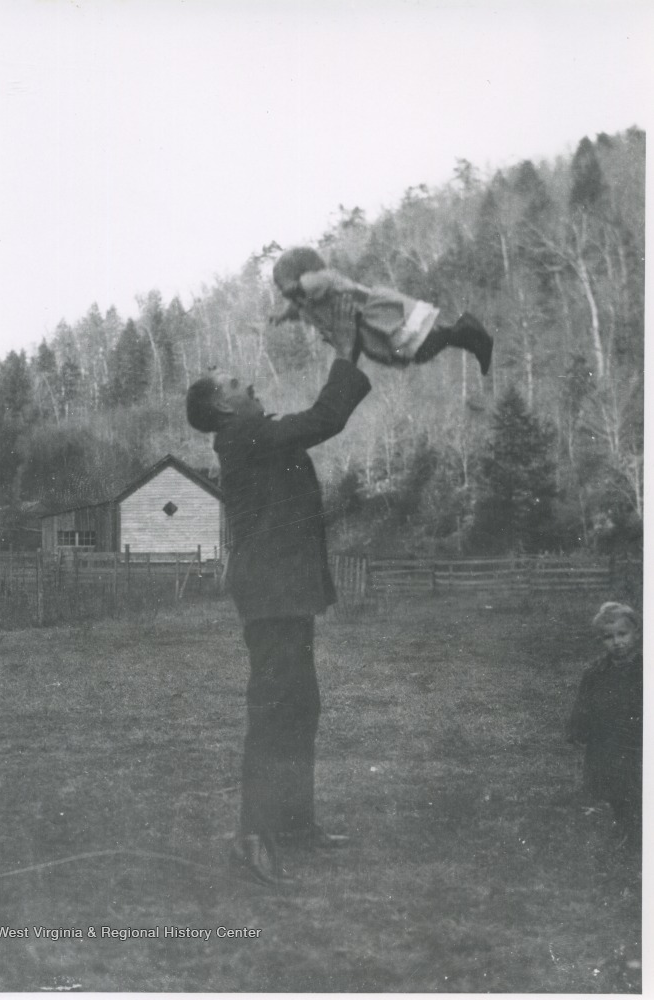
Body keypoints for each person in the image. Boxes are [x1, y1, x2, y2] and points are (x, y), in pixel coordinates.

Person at [186, 321, 371, 886]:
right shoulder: (244, 437)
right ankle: (252, 836)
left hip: (285, 593)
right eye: (238, 383)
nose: (251, 385)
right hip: (271, 595)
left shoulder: (255, 438)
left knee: (300, 708)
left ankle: (292, 825)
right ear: (223, 406)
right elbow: (324, 419)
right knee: (274, 714)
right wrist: (347, 353)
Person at [270, 245, 493, 376]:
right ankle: (468, 337)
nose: (284, 292)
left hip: (379, 314)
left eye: (284, 285)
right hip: (374, 329)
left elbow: (310, 285)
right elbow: (297, 309)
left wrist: (293, 286)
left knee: (421, 346)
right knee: (419, 351)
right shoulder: (306, 303)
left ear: (300, 274)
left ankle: (465, 330)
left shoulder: (321, 279)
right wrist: (281, 316)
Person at [567, 601, 642, 849]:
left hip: (637, 740)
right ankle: (620, 823)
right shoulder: (596, 672)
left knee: (636, 784)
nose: (617, 642)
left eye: (623, 634)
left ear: (637, 633)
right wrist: (578, 727)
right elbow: (584, 703)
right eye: (608, 637)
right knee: (609, 784)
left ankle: (635, 828)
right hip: (606, 741)